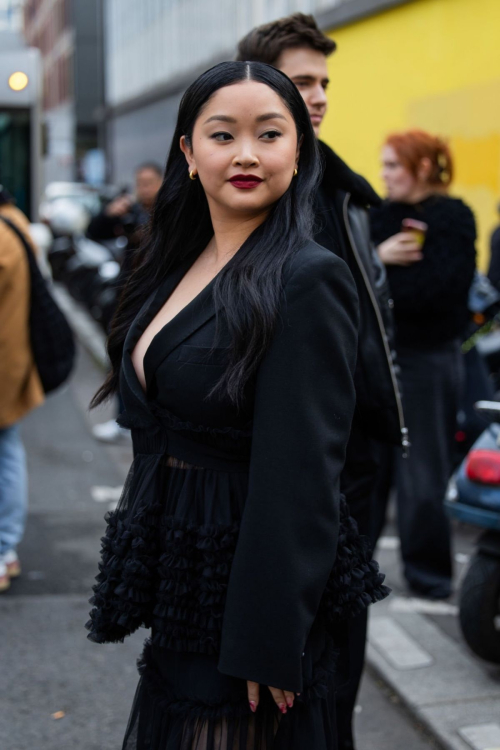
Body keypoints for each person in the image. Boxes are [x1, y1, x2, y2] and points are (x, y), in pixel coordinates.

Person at [86, 60, 388, 750]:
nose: (247, 154)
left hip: (251, 591)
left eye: (270, 134)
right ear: (189, 153)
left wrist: (268, 637)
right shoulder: (176, 260)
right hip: (185, 579)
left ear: (299, 150)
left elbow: (305, 474)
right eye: (223, 135)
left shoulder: (310, 276)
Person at [236, 14, 405, 750]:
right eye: (302, 81)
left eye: (324, 82)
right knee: (278, 667)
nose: (320, 96)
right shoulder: (252, 191)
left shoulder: (341, 191)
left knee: (337, 661)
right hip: (280, 458)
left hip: (359, 459)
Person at [370, 129, 477, 599]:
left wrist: (378, 277)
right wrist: (379, 259)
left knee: (422, 472)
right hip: (376, 356)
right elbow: (344, 279)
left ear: (423, 168)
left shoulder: (452, 217)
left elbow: (440, 292)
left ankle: (429, 577)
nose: (385, 175)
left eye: (393, 165)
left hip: (427, 358)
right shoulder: (379, 216)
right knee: (368, 469)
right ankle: (355, 566)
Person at [89, 162, 163, 443]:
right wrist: (110, 214)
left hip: (156, 297)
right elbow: (94, 233)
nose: (143, 188)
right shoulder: (131, 212)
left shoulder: (169, 213)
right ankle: (124, 419)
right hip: (127, 297)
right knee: (121, 357)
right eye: (139, 182)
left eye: (149, 182)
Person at [0, 186, 44, 592]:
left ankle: (2, 548)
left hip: (4, 361)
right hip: (13, 361)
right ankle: (5, 548)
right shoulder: (17, 224)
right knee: (8, 450)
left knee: (7, 454)